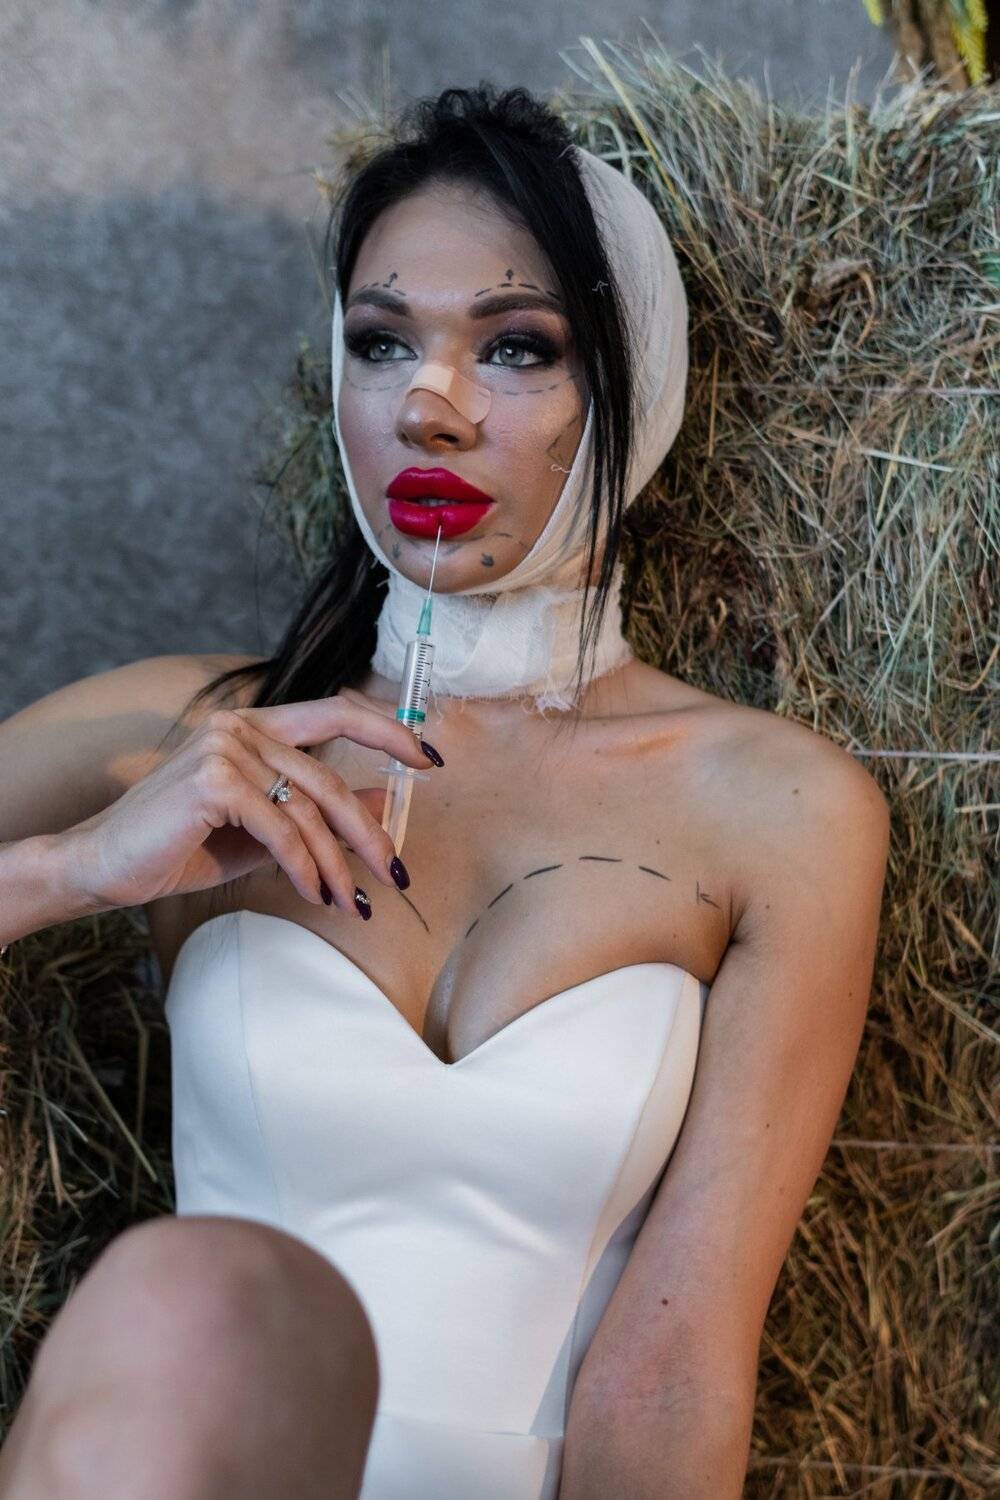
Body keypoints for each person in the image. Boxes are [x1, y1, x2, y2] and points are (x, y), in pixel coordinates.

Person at [0, 85, 890, 1500]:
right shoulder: (201, 734)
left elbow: (675, 1366)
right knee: (177, 1298)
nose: (430, 404)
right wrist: (75, 870)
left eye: (517, 347)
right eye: (382, 342)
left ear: (634, 387)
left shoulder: (779, 808)